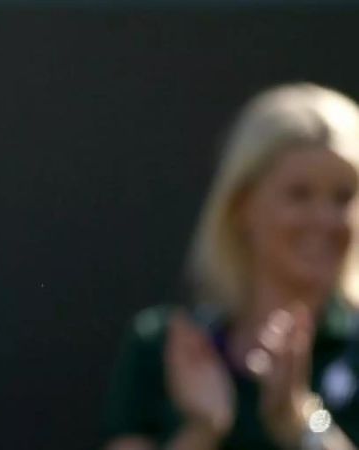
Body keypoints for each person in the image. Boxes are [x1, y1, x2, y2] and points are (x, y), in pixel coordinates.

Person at [102, 83, 359, 450]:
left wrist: (304, 424)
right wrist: (202, 430)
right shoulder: (163, 348)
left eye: (343, 197)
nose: (324, 219)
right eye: (299, 195)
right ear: (241, 205)